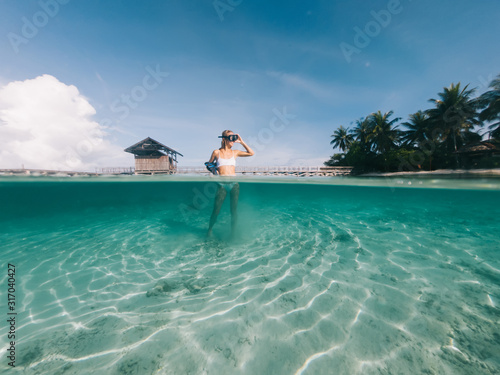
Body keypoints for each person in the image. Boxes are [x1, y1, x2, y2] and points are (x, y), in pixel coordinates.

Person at [206, 130, 254, 237]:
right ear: (224, 139)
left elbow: (251, 153)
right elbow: (209, 164)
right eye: (231, 137)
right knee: (216, 209)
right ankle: (209, 230)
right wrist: (213, 171)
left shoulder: (235, 152)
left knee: (233, 211)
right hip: (222, 184)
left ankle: (232, 233)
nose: (233, 140)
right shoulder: (216, 152)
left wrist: (241, 142)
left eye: (234, 137)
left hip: (234, 184)